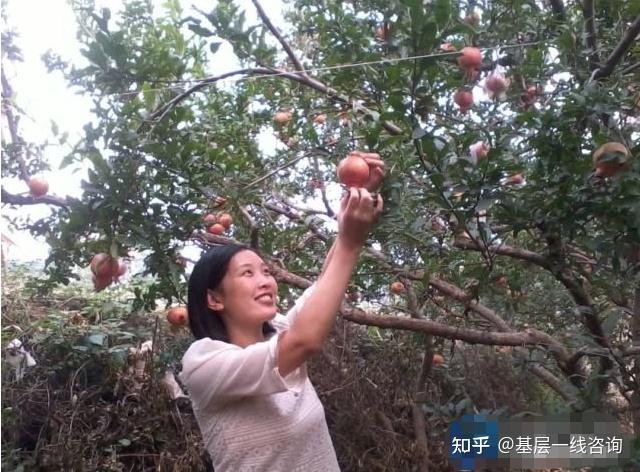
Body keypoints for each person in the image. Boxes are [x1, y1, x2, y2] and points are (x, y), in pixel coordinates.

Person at [179, 154, 385, 471]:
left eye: (266, 271)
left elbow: (322, 287)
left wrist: (354, 204)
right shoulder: (203, 363)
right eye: (247, 274)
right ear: (215, 299)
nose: (265, 282)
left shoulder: (278, 329)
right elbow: (304, 342)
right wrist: (350, 243)